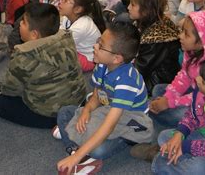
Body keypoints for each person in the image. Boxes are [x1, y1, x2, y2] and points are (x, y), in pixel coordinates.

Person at [56, 22, 152, 174]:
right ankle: (78, 150)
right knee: (64, 112)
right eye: (98, 41)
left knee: (98, 151)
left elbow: (109, 125)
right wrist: (86, 111)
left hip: (130, 119)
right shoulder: (102, 64)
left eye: (100, 45)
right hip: (108, 108)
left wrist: (76, 158)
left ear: (116, 59)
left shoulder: (127, 81)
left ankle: (79, 152)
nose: (95, 46)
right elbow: (97, 95)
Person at [130, 11, 205, 161]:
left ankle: (167, 140)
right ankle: (166, 126)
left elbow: (201, 99)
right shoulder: (193, 52)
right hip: (196, 93)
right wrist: (168, 96)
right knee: (159, 90)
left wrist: (169, 102)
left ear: (203, 41)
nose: (180, 36)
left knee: (175, 114)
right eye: (182, 31)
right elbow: (183, 76)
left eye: (186, 34)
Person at [0, 3, 87, 128]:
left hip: (51, 114)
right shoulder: (67, 37)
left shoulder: (23, 56)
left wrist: (7, 90)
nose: (20, 23)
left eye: (24, 22)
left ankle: (60, 121)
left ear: (34, 34)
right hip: (79, 100)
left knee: (1, 104)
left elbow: (12, 90)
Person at [128, 0, 181, 94]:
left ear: (145, 11)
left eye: (132, 5)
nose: (128, 7)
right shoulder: (153, 19)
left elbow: (140, 69)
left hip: (158, 78)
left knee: (124, 88)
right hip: (153, 68)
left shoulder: (154, 39)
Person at [58, 0, 105, 72]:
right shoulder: (67, 17)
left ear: (77, 9)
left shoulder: (80, 26)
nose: (60, 1)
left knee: (58, 57)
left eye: (65, 0)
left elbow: (61, 44)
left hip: (88, 59)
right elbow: (60, 33)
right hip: (77, 49)